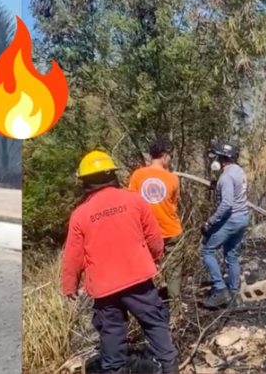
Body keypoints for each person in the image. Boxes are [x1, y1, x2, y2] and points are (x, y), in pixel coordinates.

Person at [61, 150, 179, 374]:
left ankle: (114, 369)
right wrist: (154, 258)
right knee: (154, 324)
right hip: (139, 281)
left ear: (85, 182)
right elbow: (154, 237)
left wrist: (69, 286)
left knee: (112, 335)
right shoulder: (134, 200)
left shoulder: (81, 214)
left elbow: (72, 257)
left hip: (105, 290)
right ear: (112, 175)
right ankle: (169, 366)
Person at [128, 138, 184, 314]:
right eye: (171, 156)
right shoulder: (172, 178)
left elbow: (132, 203)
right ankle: (175, 311)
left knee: (146, 270)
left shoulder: (137, 175)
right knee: (174, 272)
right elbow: (174, 204)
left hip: (145, 233)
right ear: (165, 156)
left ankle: (149, 308)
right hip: (171, 230)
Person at [200, 142, 250, 309]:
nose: (214, 160)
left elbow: (227, 204)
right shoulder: (239, 171)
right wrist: (218, 187)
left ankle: (221, 290)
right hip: (242, 218)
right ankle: (234, 293)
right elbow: (235, 192)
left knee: (207, 250)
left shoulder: (226, 177)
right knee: (231, 255)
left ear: (222, 159)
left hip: (232, 219)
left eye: (216, 157)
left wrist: (210, 222)